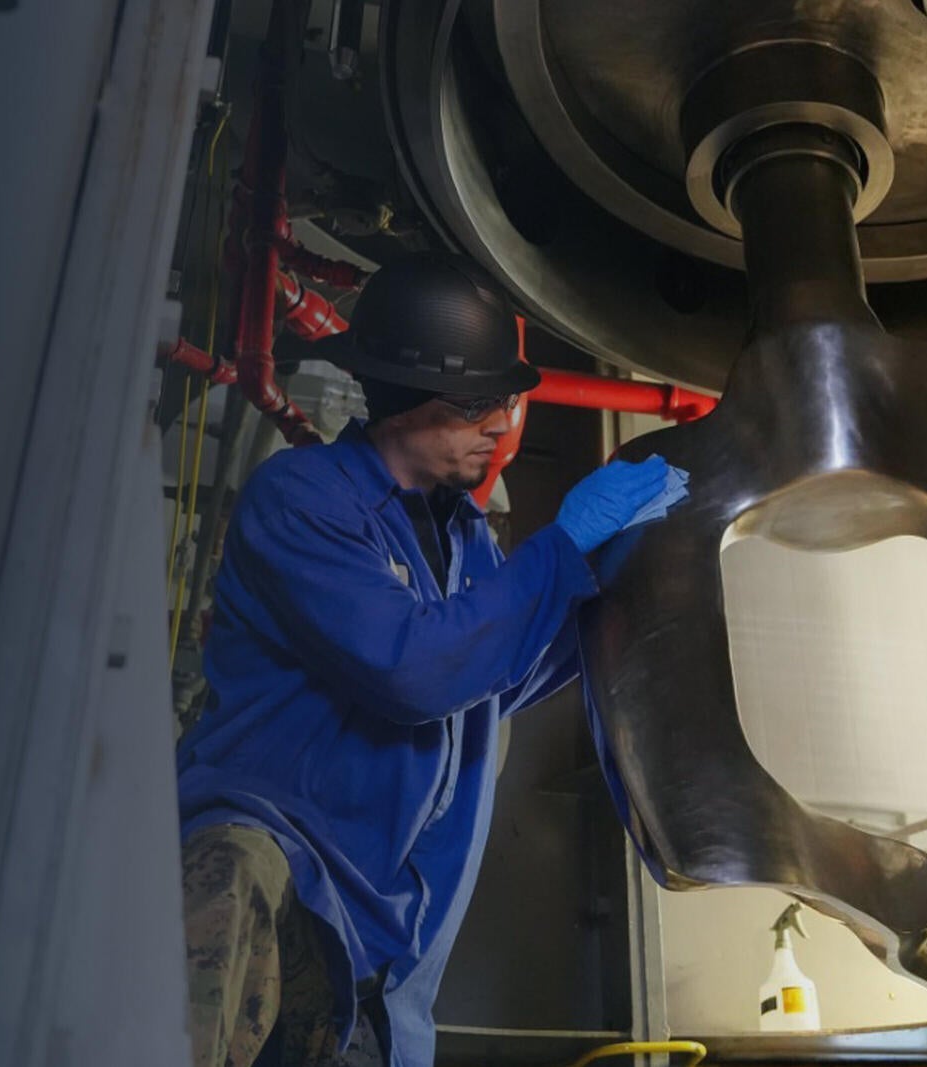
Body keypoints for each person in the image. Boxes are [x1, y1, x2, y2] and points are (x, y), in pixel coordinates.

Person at [175, 253, 681, 1067]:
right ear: (404, 399)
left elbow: (491, 678)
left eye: (506, 401)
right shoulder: (303, 499)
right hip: (278, 884)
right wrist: (558, 549)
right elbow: (416, 668)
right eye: (479, 404)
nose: (502, 424)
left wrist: (623, 572)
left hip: (380, 967)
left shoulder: (466, 542)